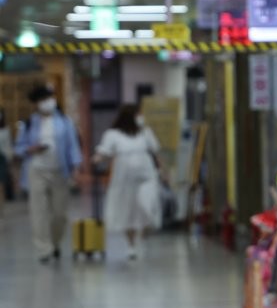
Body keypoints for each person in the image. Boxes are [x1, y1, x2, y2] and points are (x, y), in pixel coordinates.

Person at [15, 85, 82, 262]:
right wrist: (31, 149)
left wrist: (76, 167)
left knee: (60, 213)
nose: (48, 102)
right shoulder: (29, 123)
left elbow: (72, 146)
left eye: (49, 98)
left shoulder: (65, 122)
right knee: (38, 212)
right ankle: (43, 249)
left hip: (60, 171)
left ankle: (55, 242)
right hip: (36, 170)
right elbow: (19, 148)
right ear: (36, 104)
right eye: (43, 100)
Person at [93, 104, 162, 260]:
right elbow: (104, 151)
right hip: (123, 179)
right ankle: (131, 245)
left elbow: (156, 152)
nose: (141, 117)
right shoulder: (113, 134)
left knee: (147, 203)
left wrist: (163, 171)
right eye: (138, 114)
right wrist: (97, 158)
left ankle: (145, 228)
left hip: (146, 176)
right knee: (127, 211)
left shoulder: (145, 132)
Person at [0, 110, 13, 218]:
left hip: (2, 159)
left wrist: (9, 159)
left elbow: (8, 146)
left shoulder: (5, 130)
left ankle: (1, 208)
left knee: (1, 185)